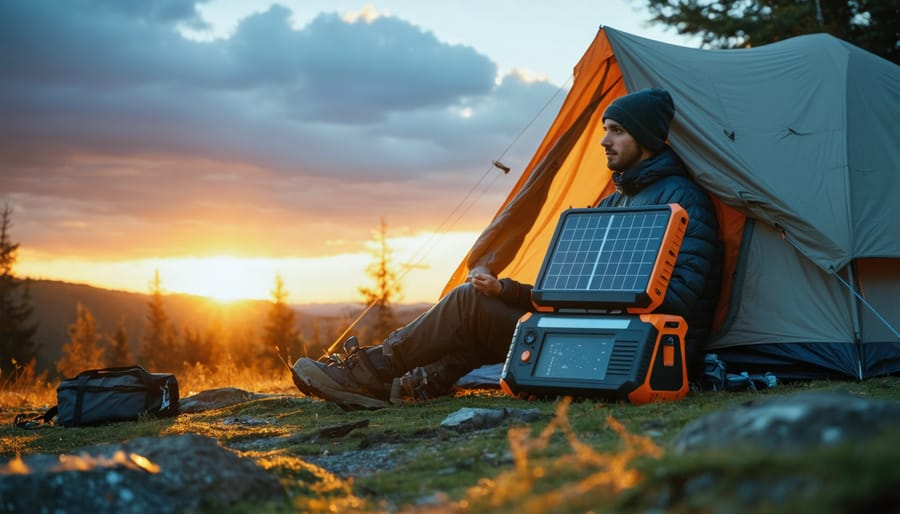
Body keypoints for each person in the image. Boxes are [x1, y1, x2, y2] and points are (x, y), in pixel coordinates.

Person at [292, 88, 722, 410]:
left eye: (617, 131)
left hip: (631, 347)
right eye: (605, 130)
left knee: (465, 305)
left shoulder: (683, 202)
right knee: (479, 299)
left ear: (645, 138)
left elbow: (679, 298)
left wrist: (598, 303)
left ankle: (369, 373)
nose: (605, 141)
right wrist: (508, 291)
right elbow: (566, 290)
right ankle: (419, 379)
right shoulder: (613, 202)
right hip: (585, 331)